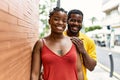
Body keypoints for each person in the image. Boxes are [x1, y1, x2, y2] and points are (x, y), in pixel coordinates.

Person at [30, 7, 84, 80]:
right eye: (56, 19)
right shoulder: (41, 44)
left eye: (64, 21)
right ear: (49, 21)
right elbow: (35, 74)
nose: (60, 23)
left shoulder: (73, 42)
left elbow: (79, 71)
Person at [63, 9, 97, 80]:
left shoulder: (89, 41)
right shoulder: (58, 38)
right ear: (67, 21)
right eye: (72, 20)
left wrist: (83, 51)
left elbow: (91, 67)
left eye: (79, 21)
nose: (76, 23)